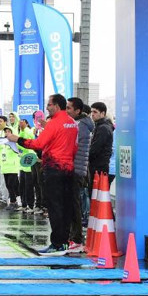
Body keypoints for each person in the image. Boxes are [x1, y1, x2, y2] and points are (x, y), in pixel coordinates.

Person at [6, 94, 78, 255]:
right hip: (68, 169)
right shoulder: (72, 123)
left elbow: (38, 143)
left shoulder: (54, 123)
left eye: (49, 105)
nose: (47, 107)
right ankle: (64, 242)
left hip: (54, 169)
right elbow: (75, 147)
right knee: (66, 207)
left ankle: (57, 244)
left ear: (57, 106)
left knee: (55, 207)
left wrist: (17, 139)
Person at [66, 97, 94, 252]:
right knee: (71, 204)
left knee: (74, 204)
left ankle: (77, 239)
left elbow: (74, 146)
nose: (67, 111)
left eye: (69, 108)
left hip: (76, 169)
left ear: (78, 110)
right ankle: (73, 238)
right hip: (73, 168)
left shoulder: (81, 125)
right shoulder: (77, 124)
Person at [89, 101, 115, 191]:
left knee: (96, 196)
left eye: (95, 112)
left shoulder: (103, 128)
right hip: (98, 167)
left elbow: (95, 149)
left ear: (103, 113)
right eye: (91, 112)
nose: (92, 114)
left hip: (99, 168)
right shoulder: (99, 126)